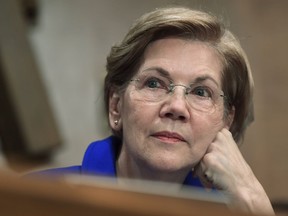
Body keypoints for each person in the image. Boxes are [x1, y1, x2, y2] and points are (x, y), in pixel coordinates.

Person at [32, 6, 274, 215]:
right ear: (116, 106)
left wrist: (252, 200)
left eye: (201, 92)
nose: (177, 107)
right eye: (154, 83)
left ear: (225, 123)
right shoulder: (37, 197)